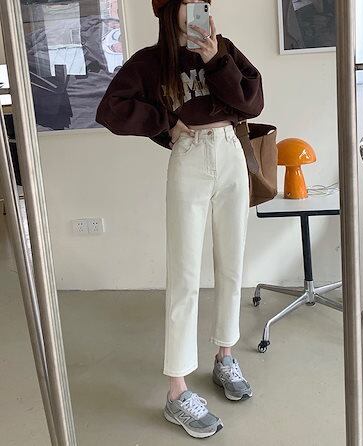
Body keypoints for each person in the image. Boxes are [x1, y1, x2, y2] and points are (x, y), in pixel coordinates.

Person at [95, 0, 264, 439]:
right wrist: (165, 122)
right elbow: (111, 108)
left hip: (231, 154)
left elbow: (252, 101)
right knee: (185, 273)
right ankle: (176, 391)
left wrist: (216, 60)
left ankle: (225, 355)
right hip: (190, 158)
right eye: (187, 4)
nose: (197, 13)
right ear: (169, 12)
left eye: (202, 3)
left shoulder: (223, 49)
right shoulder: (151, 62)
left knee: (232, 264)